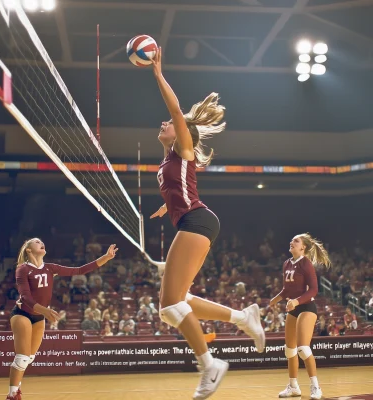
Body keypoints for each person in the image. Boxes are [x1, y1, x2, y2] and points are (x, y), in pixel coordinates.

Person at [149, 47, 264, 400]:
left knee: (169, 307)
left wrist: (157, 73)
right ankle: (243, 318)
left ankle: (209, 365)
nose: (165, 123)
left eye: (172, 123)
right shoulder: (170, 159)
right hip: (194, 220)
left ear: (185, 134)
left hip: (197, 222)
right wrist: (164, 206)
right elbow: (177, 188)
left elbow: (174, 111)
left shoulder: (184, 148)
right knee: (177, 301)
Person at [6, 238, 117, 400]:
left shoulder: (50, 268)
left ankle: (17, 389)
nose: (41, 243)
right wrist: (45, 310)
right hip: (22, 314)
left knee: (29, 358)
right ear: (29, 250)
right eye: (36, 242)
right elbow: (25, 297)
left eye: (41, 241)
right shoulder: (23, 269)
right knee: (22, 357)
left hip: (39, 317)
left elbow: (79, 270)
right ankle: (12, 395)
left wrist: (105, 258)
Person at [270, 233, 331, 400]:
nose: (291, 242)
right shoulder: (286, 264)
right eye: (291, 240)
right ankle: (293, 386)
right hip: (294, 307)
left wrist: (296, 301)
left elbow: (313, 290)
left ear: (303, 247)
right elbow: (286, 290)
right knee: (289, 351)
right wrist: (275, 300)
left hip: (306, 307)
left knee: (303, 348)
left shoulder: (306, 264)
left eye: (295, 241)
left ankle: (316, 387)